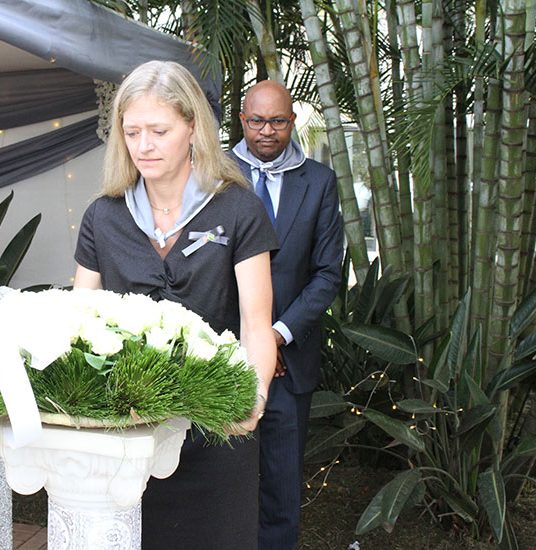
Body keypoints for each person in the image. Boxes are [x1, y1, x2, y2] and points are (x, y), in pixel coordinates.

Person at [73, 60, 278, 550]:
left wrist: (255, 399)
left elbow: (256, 324)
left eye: (159, 131)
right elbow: (78, 322)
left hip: (217, 431)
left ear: (192, 128)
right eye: (132, 132)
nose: (144, 145)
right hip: (127, 437)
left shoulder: (238, 209)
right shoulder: (103, 216)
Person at [231, 80, 343, 549]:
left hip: (290, 361)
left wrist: (275, 337)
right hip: (225, 357)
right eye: (257, 121)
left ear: (293, 121)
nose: (267, 131)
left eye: (277, 121)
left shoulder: (319, 182)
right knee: (223, 483)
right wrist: (248, 342)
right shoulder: (214, 175)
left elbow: (327, 274)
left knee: (280, 488)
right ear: (242, 121)